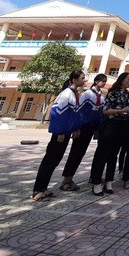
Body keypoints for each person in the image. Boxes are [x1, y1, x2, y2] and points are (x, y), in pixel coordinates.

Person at [31, 70, 86, 202]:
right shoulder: (66, 94)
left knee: (55, 161)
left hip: (66, 132)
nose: (84, 80)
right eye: (82, 78)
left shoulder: (74, 94)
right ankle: (37, 190)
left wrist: (75, 129)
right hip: (60, 134)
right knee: (49, 161)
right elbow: (57, 113)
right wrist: (60, 131)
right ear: (74, 80)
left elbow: (73, 115)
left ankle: (44, 188)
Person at [59, 73, 107, 191]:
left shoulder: (101, 97)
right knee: (76, 152)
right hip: (83, 127)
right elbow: (79, 111)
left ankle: (92, 177)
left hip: (93, 128)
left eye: (105, 81)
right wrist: (77, 127)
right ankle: (67, 180)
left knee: (82, 153)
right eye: (102, 81)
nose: (104, 83)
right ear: (96, 81)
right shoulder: (87, 94)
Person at [89, 72, 129, 196]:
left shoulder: (128, 95)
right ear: (122, 80)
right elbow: (106, 110)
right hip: (110, 125)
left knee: (114, 155)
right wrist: (122, 110)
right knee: (102, 154)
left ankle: (109, 181)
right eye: (128, 79)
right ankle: (96, 182)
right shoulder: (113, 92)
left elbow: (127, 110)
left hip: (122, 126)